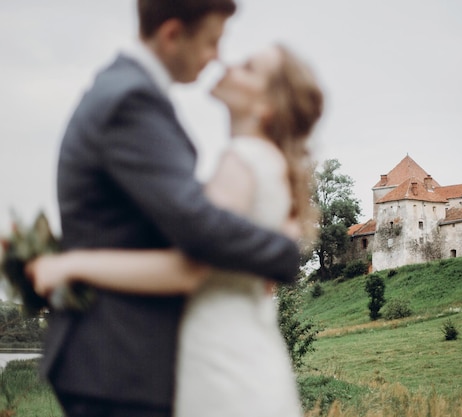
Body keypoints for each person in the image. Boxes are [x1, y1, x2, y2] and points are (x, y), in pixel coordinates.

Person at [30, 43, 323, 417]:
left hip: (219, 358)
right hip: (249, 349)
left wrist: (73, 264)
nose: (228, 65)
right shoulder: (271, 165)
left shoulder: (241, 163)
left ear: (267, 106)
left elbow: (186, 270)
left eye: (248, 68)